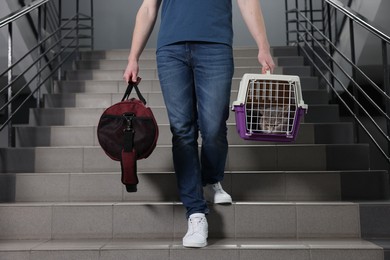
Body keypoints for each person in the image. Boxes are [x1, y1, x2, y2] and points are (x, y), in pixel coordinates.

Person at [123, 0, 275, 248]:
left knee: (213, 127)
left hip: (215, 47)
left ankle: (211, 178)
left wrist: (263, 46)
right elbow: (148, 7)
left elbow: (248, 1)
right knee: (182, 131)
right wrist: (133, 57)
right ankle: (195, 212)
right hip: (171, 50)